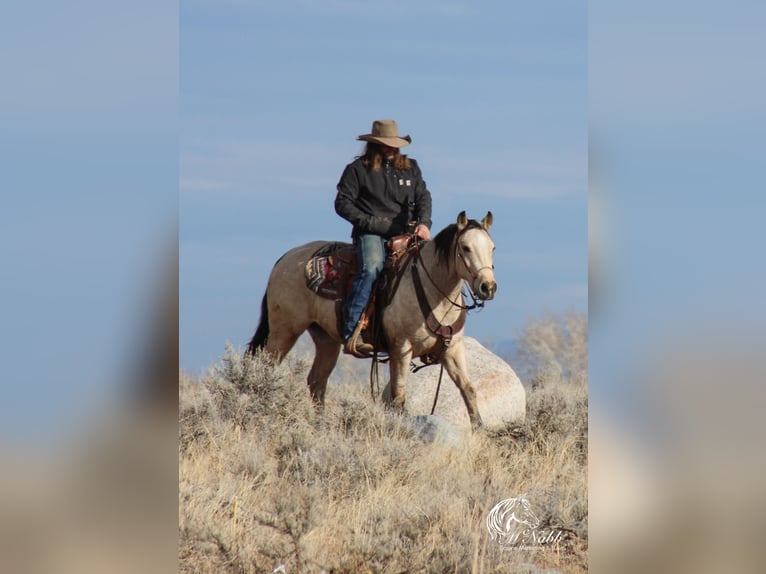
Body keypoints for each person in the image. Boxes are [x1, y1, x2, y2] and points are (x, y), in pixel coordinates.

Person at [335, 119, 432, 356]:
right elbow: (342, 203)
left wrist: (424, 223)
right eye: (385, 144)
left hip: (406, 233)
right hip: (371, 234)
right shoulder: (357, 171)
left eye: (394, 144)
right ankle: (352, 333)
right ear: (374, 145)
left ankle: (427, 335)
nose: (391, 148)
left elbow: (423, 197)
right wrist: (370, 223)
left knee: (427, 271)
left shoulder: (411, 167)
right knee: (372, 268)